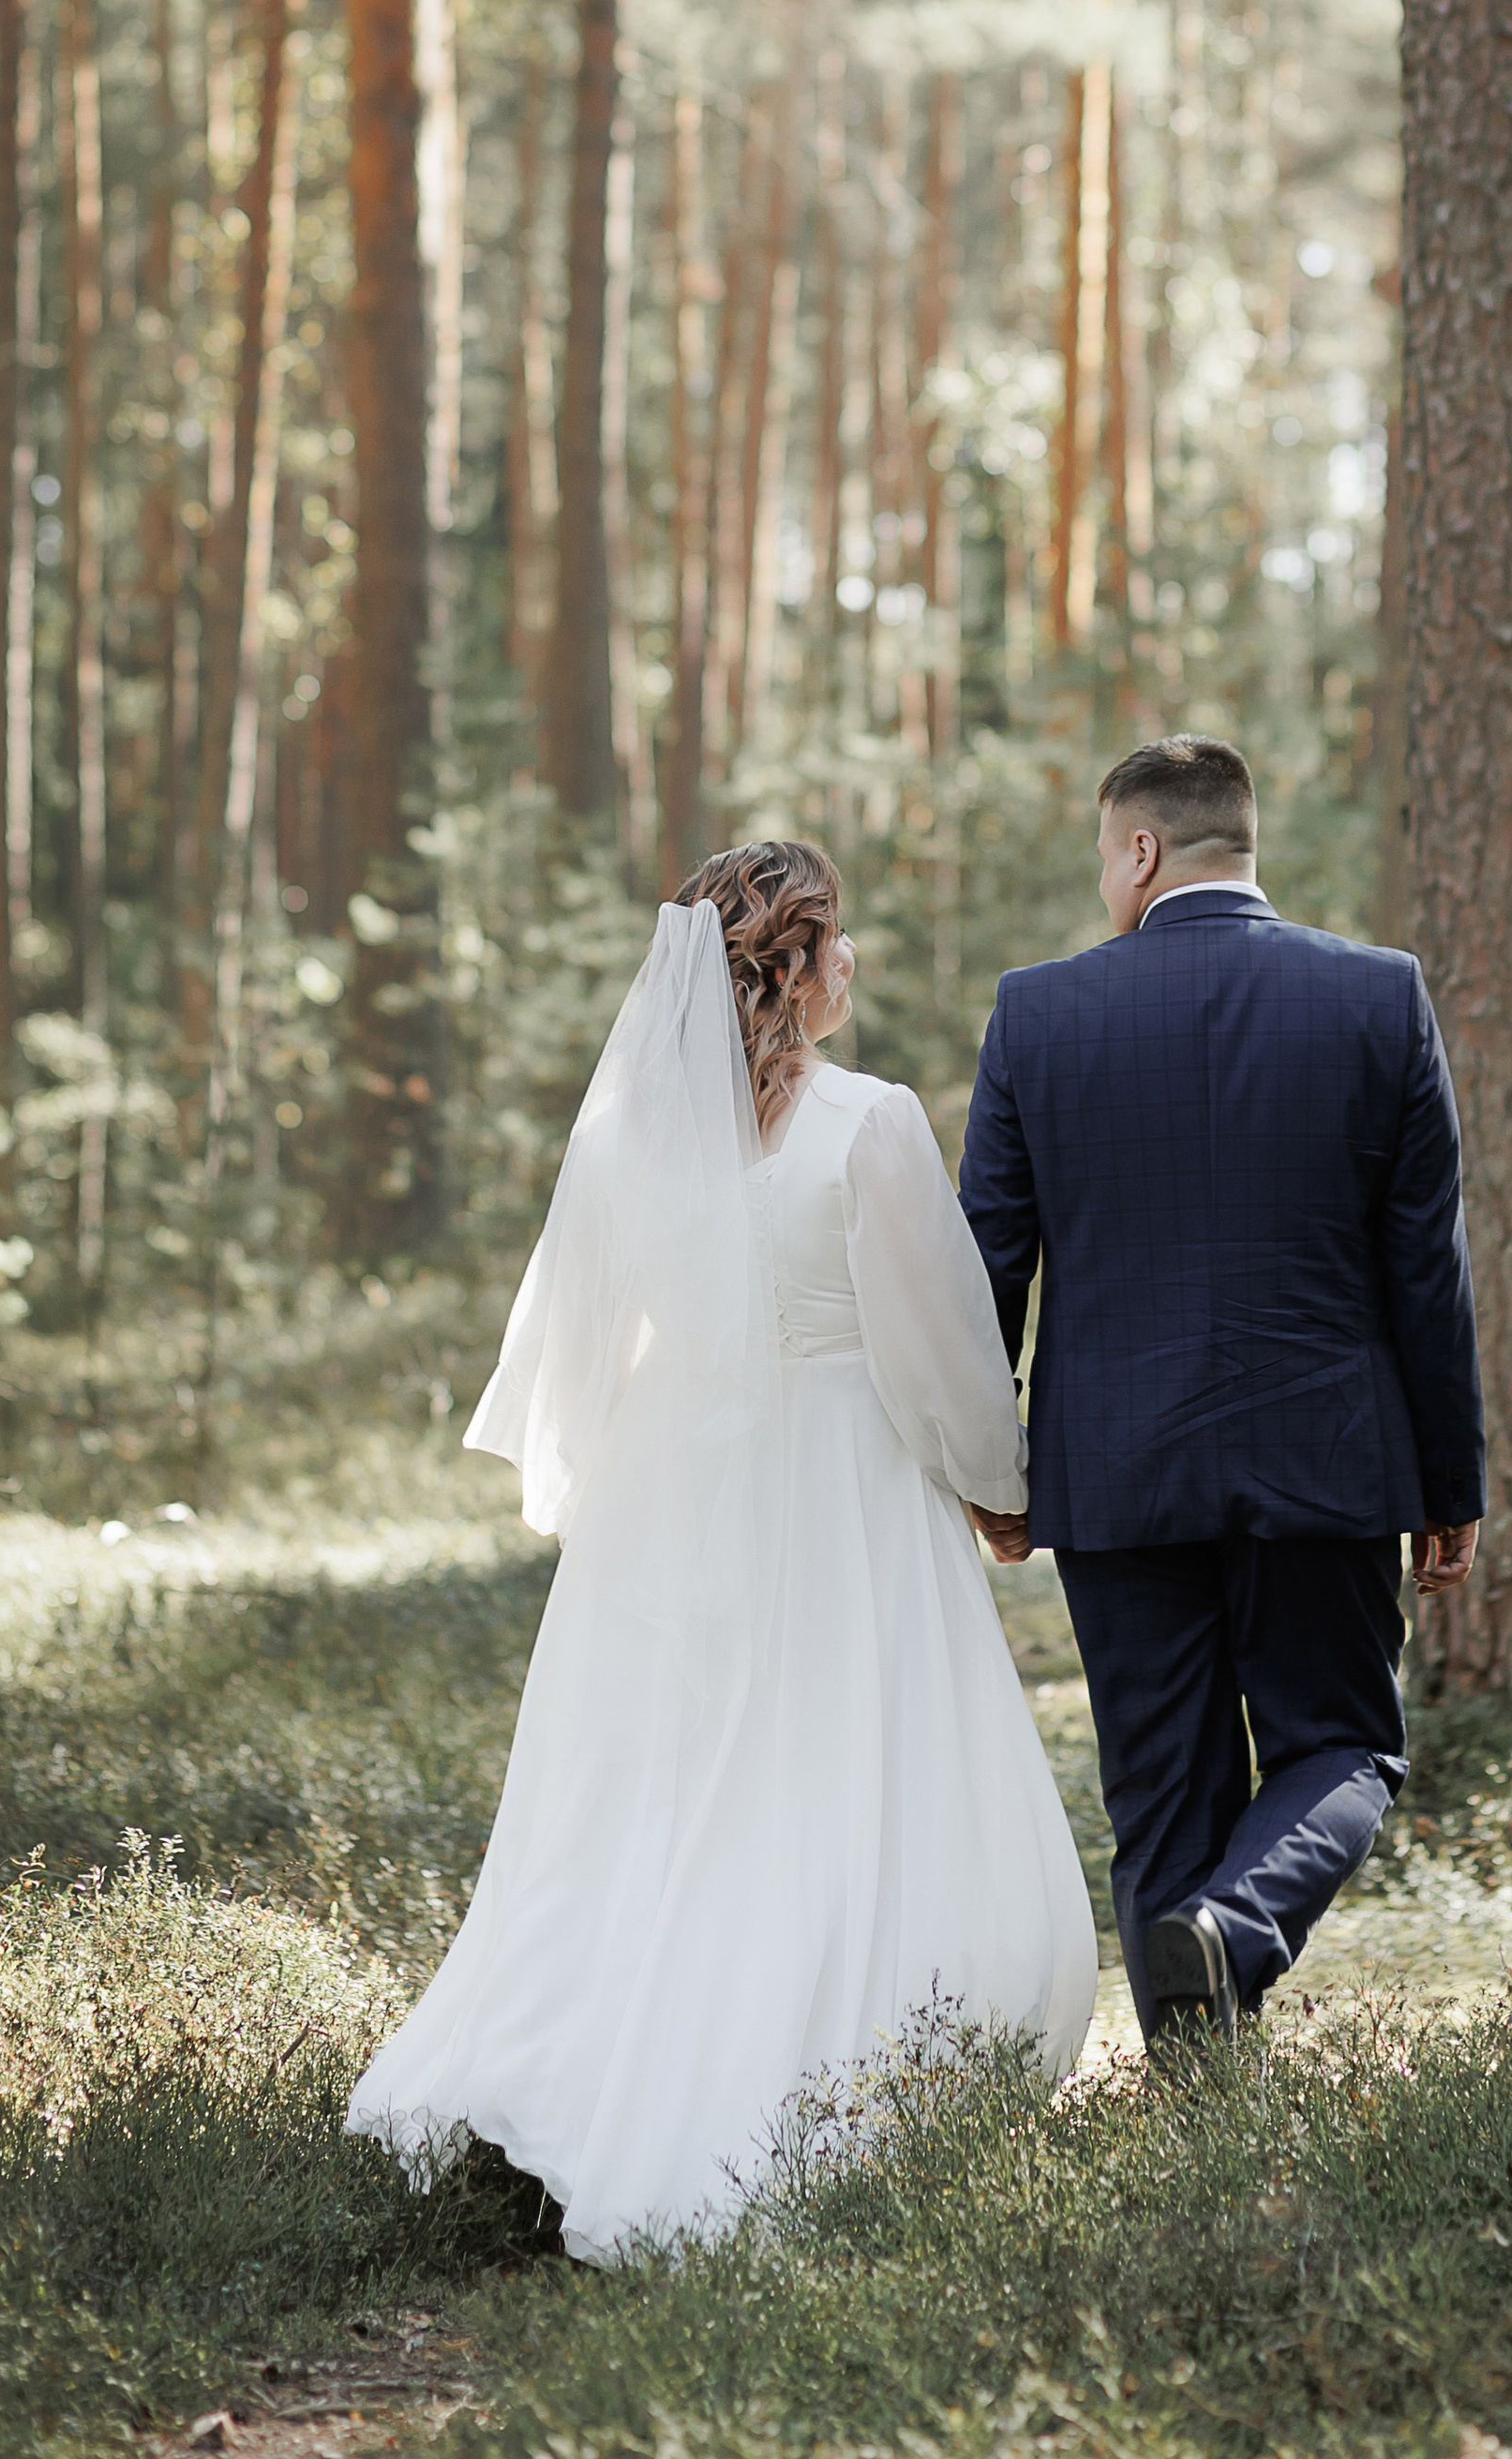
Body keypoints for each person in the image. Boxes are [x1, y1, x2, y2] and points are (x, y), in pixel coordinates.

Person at [349, 841, 1097, 2261]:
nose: (853, 961)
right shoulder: (867, 1124)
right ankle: (771, 2088)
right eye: (839, 938)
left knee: (660, 1786)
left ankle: (579, 2076)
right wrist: (999, 1489)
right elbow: (938, 1350)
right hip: (841, 1487)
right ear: (796, 969)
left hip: (669, 1485)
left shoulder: (629, 1131)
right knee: (826, 1771)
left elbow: (595, 1338)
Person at [958, 736, 1484, 2048]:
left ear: (1141, 851)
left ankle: (1195, 2086)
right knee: (1344, 1747)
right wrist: (1449, 1479)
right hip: (1328, 1460)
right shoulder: (1378, 996)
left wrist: (992, 1471)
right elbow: (1426, 1270)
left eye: (1104, 856)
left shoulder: (1038, 1014)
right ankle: (1236, 1932)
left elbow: (987, 1270)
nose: (1104, 880)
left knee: (1161, 1791)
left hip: (1115, 1470)